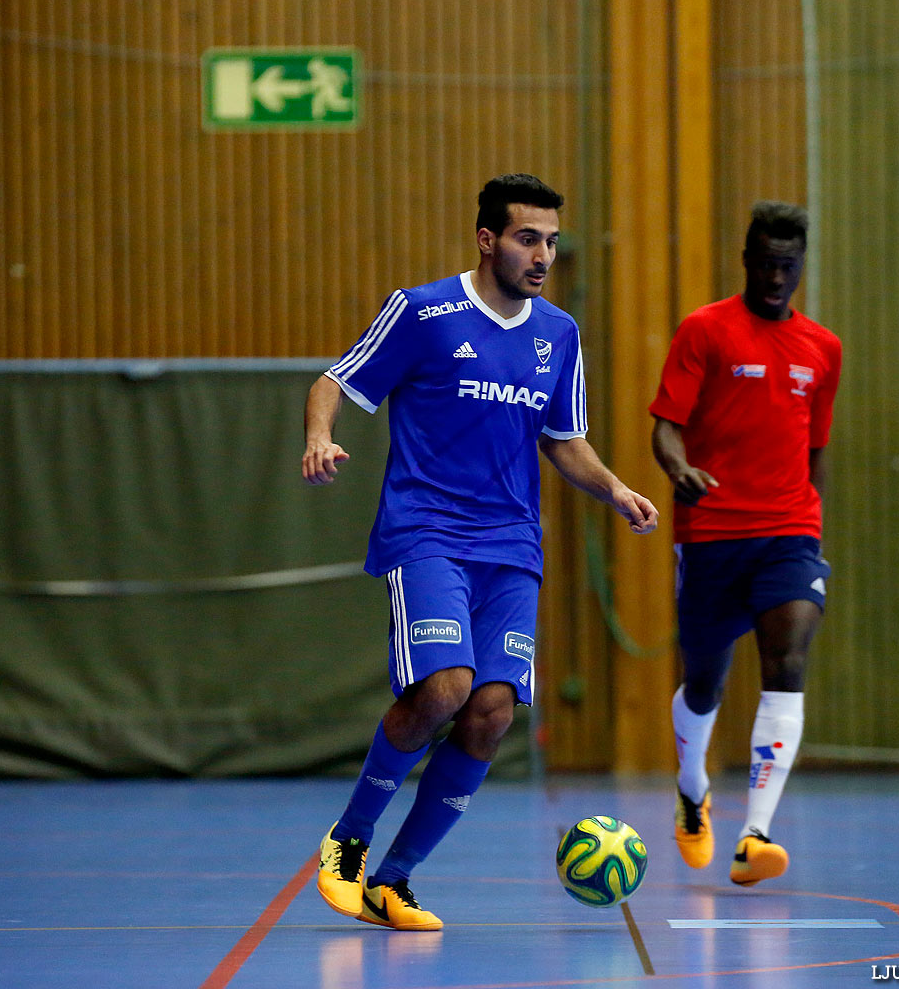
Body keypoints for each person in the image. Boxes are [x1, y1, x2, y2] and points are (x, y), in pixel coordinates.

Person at [302, 173, 659, 930]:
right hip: (426, 529)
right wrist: (320, 435)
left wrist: (616, 489)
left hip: (512, 546)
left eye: (553, 242)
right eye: (529, 238)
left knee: (492, 711)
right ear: (487, 239)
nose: (543, 255)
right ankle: (349, 841)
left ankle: (394, 880)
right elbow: (337, 379)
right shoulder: (425, 310)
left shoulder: (558, 334)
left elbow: (563, 439)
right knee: (444, 688)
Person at [648, 200, 842, 887]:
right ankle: (693, 787)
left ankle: (754, 836)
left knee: (787, 654)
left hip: (788, 533)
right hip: (711, 535)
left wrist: (810, 523)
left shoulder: (823, 349)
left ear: (800, 266)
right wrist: (679, 470)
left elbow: (815, 445)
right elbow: (665, 427)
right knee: (704, 682)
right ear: (746, 260)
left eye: (787, 266)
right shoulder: (706, 331)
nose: (774, 277)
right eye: (764, 263)